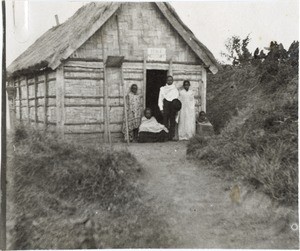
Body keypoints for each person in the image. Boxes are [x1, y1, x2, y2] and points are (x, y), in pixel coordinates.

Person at [158, 75, 180, 140]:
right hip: (166, 105)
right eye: (168, 80)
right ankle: (165, 136)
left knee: (172, 122)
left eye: (171, 80)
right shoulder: (162, 89)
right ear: (166, 81)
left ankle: (171, 136)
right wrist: (161, 108)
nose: (169, 81)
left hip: (173, 106)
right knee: (165, 121)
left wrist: (176, 109)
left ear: (172, 81)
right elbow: (160, 99)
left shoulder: (175, 89)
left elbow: (177, 99)